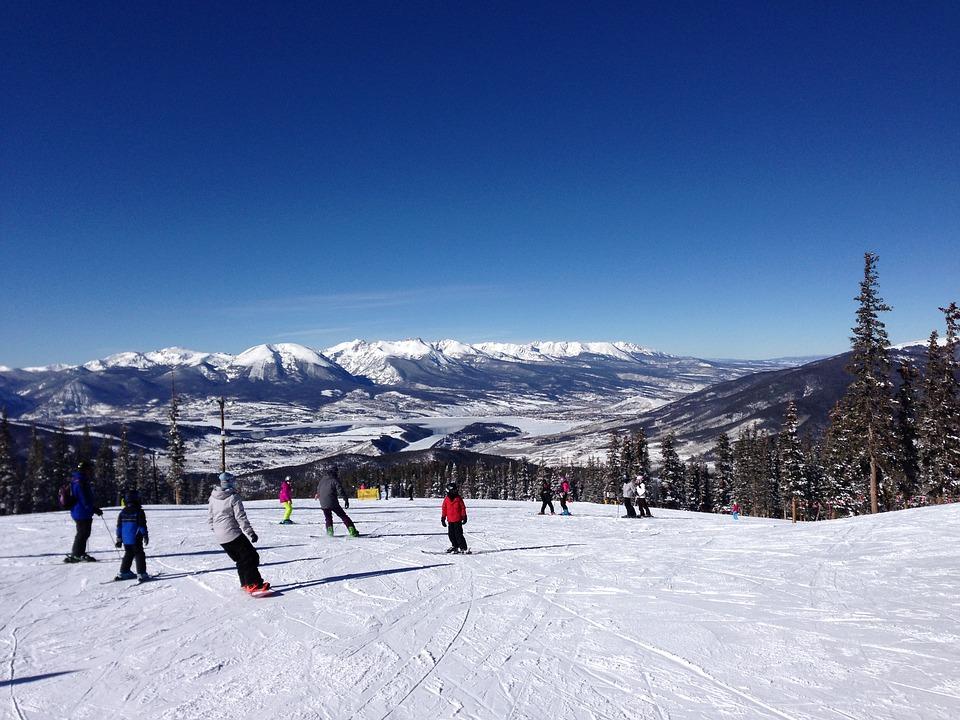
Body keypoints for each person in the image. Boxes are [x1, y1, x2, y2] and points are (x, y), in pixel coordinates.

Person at [208, 472, 268, 593]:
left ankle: (245, 583)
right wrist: (250, 533)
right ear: (229, 482)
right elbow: (241, 517)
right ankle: (253, 583)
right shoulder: (233, 497)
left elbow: (210, 517)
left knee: (241, 559)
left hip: (220, 536)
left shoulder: (213, 497)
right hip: (231, 533)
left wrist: (217, 530)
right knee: (250, 556)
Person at [64, 461, 103, 563]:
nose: (91, 471)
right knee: (83, 533)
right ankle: (77, 554)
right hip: (81, 511)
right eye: (89, 469)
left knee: (83, 533)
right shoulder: (81, 482)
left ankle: (79, 553)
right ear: (86, 470)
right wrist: (93, 509)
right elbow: (84, 498)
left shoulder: (77, 479)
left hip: (79, 510)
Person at [114, 488, 149, 581]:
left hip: (126, 540)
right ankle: (141, 573)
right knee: (139, 554)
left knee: (128, 553)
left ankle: (124, 572)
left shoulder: (122, 512)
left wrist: (119, 538)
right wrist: (145, 535)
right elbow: (142, 525)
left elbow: (119, 527)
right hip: (136, 538)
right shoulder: (139, 511)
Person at [316, 467, 359, 537]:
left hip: (323, 502)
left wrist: (318, 495)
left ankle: (330, 532)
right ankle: (352, 530)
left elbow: (318, 489)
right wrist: (346, 499)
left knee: (328, 517)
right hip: (332, 502)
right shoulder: (335, 480)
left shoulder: (322, 479)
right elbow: (340, 491)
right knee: (343, 516)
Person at [441, 483, 469, 554]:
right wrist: (443, 518)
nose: (456, 492)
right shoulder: (446, 499)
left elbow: (463, 508)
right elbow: (444, 508)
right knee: (451, 534)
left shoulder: (458, 498)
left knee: (458, 534)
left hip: (457, 520)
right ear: (449, 491)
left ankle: (463, 547)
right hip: (450, 520)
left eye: (456, 490)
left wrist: (464, 516)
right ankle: (455, 546)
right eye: (454, 491)